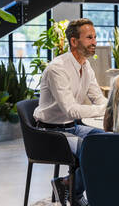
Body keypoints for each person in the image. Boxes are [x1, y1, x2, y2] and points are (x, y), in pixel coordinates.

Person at [33, 18, 107, 206]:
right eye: (89, 38)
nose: (95, 42)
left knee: (108, 141)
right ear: (74, 41)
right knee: (93, 150)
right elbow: (71, 109)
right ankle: (79, 194)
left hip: (72, 128)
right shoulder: (57, 68)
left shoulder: (86, 66)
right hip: (50, 133)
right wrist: (105, 110)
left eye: (95, 37)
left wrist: (111, 109)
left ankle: (67, 184)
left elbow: (98, 98)